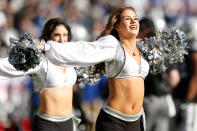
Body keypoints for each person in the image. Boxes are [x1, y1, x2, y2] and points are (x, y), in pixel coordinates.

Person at [37, 7, 149, 131]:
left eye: (135, 19)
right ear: (117, 26)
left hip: (136, 121)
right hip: (114, 121)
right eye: (127, 19)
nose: (133, 21)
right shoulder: (113, 45)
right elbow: (83, 49)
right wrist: (48, 47)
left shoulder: (142, 49)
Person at [0, 18, 79, 131]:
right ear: (48, 37)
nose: (62, 39)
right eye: (57, 35)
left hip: (68, 122)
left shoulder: (71, 59)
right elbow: (9, 66)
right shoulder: (40, 60)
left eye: (65, 35)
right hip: (47, 123)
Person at [138, 17, 177, 131]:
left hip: (148, 100)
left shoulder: (140, 49)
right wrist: (165, 89)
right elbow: (175, 76)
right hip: (164, 100)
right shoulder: (161, 48)